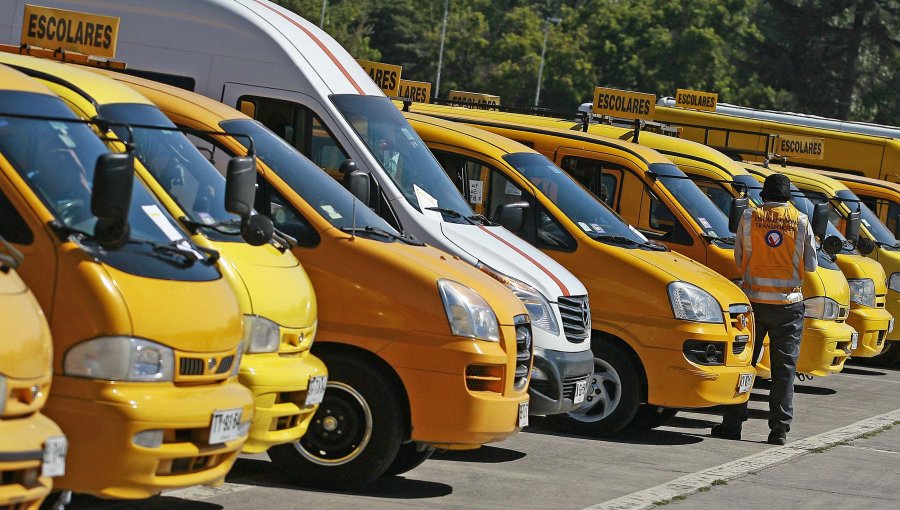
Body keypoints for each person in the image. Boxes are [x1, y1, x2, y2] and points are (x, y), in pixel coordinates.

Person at [711, 173, 817, 445]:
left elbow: (738, 259)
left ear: (764, 195)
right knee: (784, 371)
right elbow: (812, 265)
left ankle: (732, 424)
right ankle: (779, 430)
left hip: (753, 303)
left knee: (745, 364)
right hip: (789, 305)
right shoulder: (801, 221)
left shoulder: (748, 218)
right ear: (788, 197)